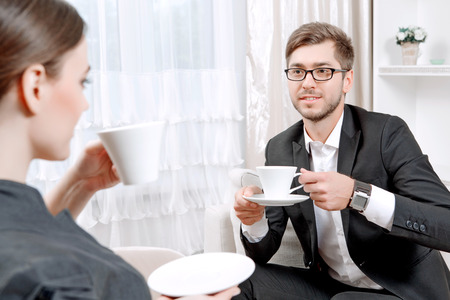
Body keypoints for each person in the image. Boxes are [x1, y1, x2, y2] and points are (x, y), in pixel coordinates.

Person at [0, 0, 240, 299]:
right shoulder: (53, 273)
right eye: (81, 81)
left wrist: (80, 184)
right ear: (35, 87)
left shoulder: (18, 225)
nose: (84, 103)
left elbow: (31, 232)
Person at [233, 22, 450, 300]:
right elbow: (263, 251)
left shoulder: (387, 133)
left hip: (402, 290)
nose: (307, 82)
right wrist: (253, 221)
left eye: (322, 71)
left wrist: (357, 195)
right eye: (298, 71)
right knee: (240, 278)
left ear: (347, 79)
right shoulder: (280, 147)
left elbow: (445, 223)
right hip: (331, 287)